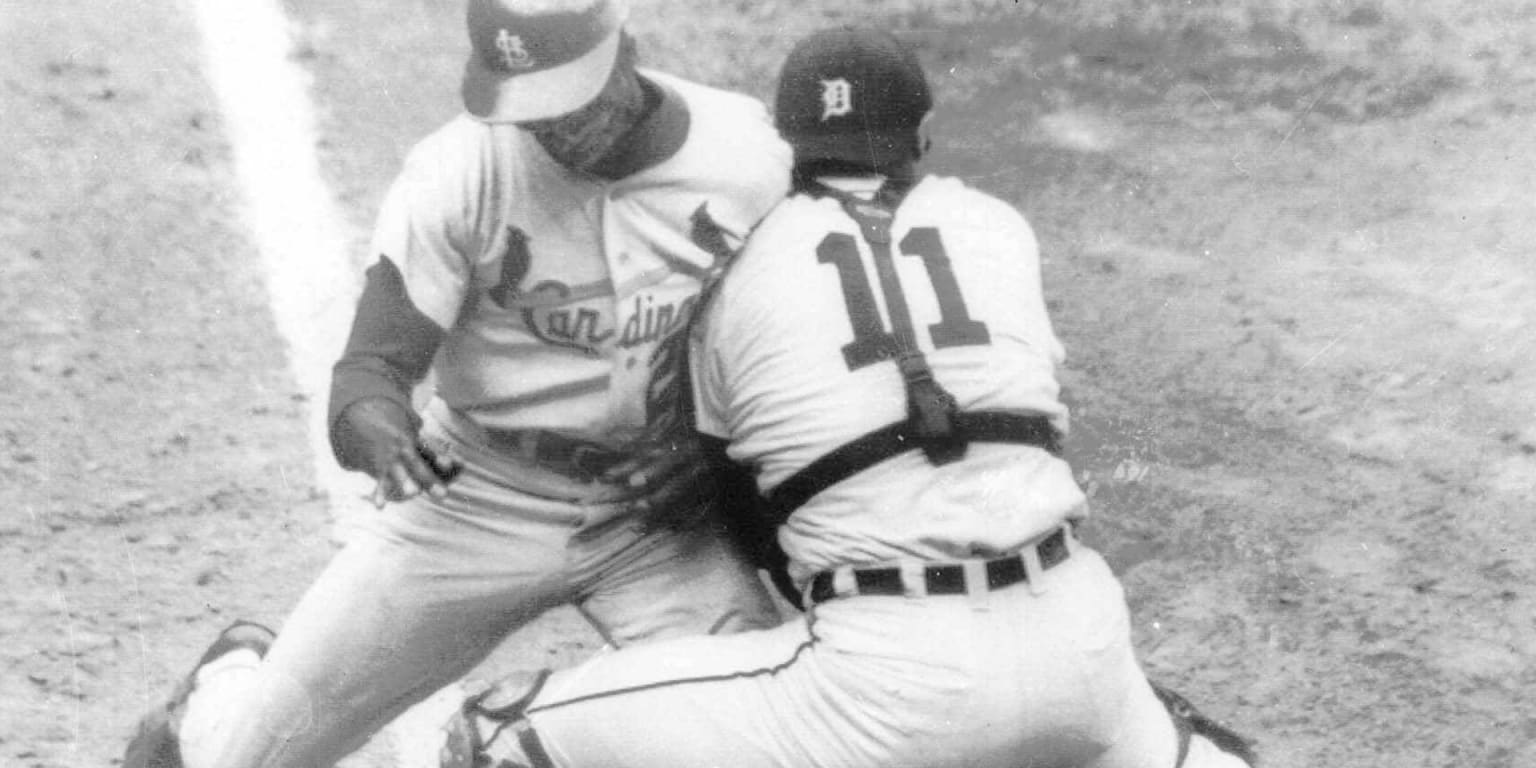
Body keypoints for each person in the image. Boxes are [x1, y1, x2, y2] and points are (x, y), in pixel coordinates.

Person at [431, 24, 1259, 768]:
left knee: (500, 733)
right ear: (923, 138)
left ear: (787, 150)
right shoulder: (999, 229)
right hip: (1083, 652)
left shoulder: (737, 281)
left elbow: (751, 520)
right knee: (1219, 755)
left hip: (886, 693)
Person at [122, 1, 791, 766]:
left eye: (571, 100)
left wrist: (716, 456)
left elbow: (810, 349)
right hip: (475, 498)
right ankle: (222, 689)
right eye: (532, 109)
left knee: (758, 741)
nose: (555, 129)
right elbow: (368, 373)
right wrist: (383, 433)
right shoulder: (459, 170)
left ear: (624, 47)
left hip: (656, 523)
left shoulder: (749, 157)